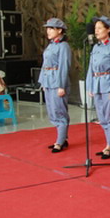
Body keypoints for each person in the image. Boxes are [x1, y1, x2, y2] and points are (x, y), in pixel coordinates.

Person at [86, 16, 110, 159]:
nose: (96, 31)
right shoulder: (96, 47)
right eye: (95, 28)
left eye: (100, 28)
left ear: (108, 29)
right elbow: (91, 68)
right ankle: (109, 144)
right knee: (102, 117)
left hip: (108, 85)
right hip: (97, 84)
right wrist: (90, 85)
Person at [39, 18, 71, 153]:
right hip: (48, 80)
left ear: (59, 30)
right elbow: (44, 64)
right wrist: (42, 81)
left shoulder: (63, 46)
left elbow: (64, 67)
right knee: (52, 111)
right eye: (48, 28)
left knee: (59, 111)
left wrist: (61, 86)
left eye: (51, 28)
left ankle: (60, 141)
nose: (48, 31)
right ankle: (61, 138)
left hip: (57, 81)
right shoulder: (51, 45)